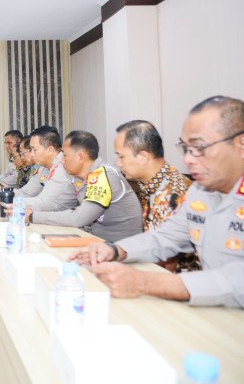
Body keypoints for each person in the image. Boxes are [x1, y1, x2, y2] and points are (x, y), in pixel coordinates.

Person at [69, 96, 244, 308]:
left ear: (240, 143)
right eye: (185, 148)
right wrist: (114, 250)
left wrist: (145, 282)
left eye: (199, 147)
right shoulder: (200, 191)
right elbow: (165, 237)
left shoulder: (178, 189)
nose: (187, 159)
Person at [114, 120, 198, 272]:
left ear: (143, 157)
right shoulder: (154, 184)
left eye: (121, 157)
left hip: (177, 279)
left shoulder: (172, 194)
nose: (118, 163)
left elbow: (166, 261)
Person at [29, 130, 143, 242]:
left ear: (80, 157)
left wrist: (32, 216)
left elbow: (78, 218)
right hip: (96, 240)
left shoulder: (103, 175)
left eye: (65, 155)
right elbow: (60, 206)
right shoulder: (78, 177)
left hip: (119, 247)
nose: (62, 161)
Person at [0, 125, 77, 212]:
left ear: (49, 149)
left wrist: (5, 202)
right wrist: (2, 195)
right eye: (31, 150)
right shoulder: (43, 166)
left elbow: (43, 203)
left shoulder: (63, 166)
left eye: (34, 150)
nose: (32, 154)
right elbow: (25, 193)